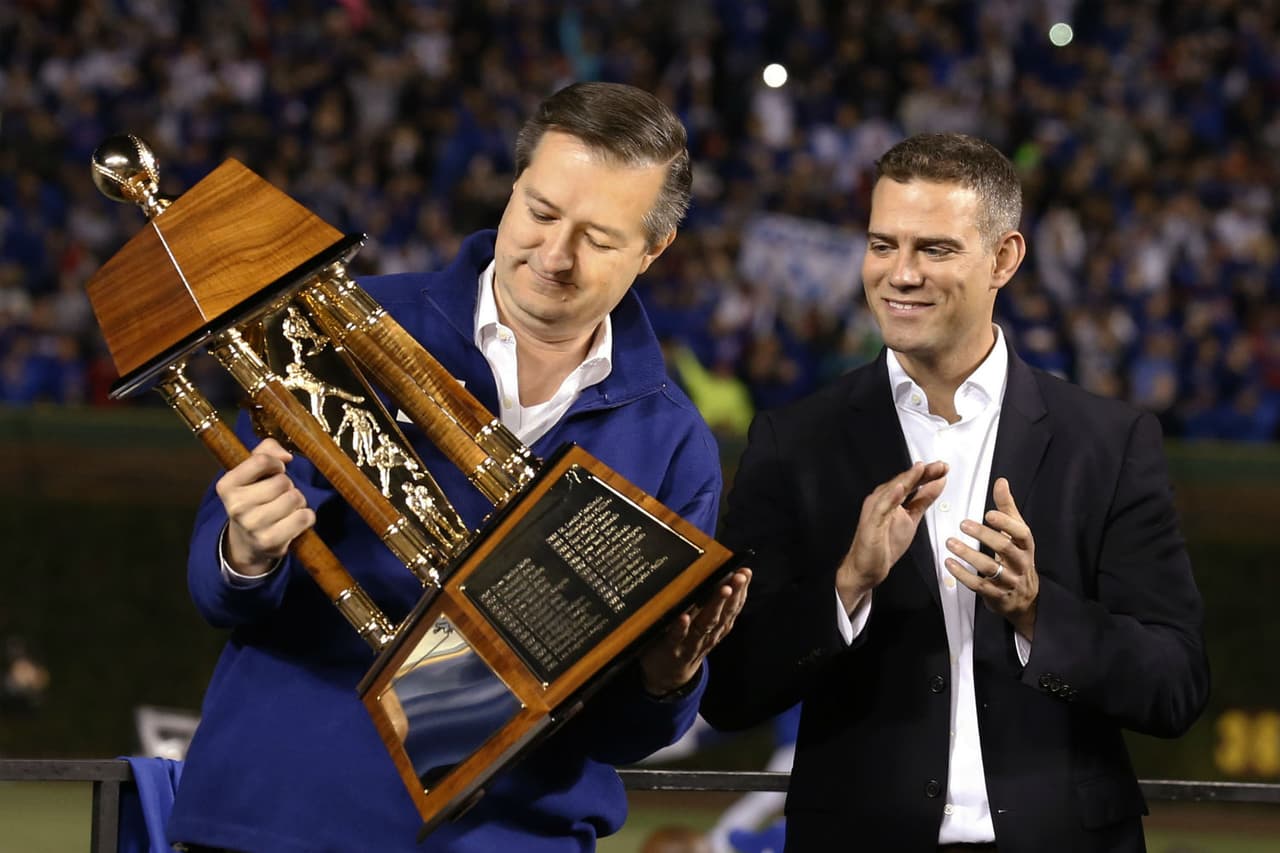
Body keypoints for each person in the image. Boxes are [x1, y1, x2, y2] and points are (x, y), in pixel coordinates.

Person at [170, 81, 750, 853]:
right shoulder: (341, 326)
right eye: (540, 213)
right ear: (511, 191)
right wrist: (245, 549)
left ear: (654, 249)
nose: (554, 255)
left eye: (600, 238)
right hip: (280, 817)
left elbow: (625, 731)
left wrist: (669, 676)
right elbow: (220, 594)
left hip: (512, 836)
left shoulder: (675, 441)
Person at [701, 133, 1209, 852]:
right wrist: (846, 587)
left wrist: (1038, 611)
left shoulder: (1110, 441)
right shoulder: (794, 443)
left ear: (1004, 257)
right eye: (883, 245)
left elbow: (1176, 685)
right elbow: (728, 688)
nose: (898, 274)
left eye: (934, 249)